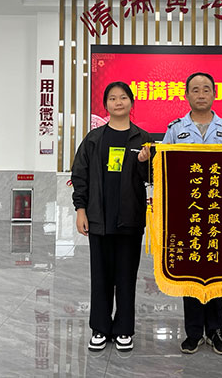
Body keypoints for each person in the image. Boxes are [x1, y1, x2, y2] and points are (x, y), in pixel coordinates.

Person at [162, 72, 222, 355]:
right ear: (186, 95)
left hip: (219, 212)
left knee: (218, 271)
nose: (201, 94)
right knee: (191, 268)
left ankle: (216, 331)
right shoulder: (175, 130)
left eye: (206, 89)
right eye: (195, 90)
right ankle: (194, 332)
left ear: (214, 94)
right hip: (187, 213)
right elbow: (163, 170)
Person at [71, 81, 153, 353]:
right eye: (112, 98)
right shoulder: (94, 139)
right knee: (101, 276)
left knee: (126, 276)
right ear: (105, 104)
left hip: (130, 219)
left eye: (123, 97)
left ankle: (124, 329)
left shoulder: (142, 138)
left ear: (132, 102)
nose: (118, 102)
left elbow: (153, 178)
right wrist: (80, 210)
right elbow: (80, 175)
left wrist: (144, 163)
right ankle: (100, 328)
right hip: (99, 218)